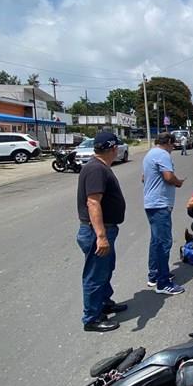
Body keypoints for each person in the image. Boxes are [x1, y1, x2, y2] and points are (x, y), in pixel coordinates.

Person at [76, 132, 127, 332]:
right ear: (114, 149)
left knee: (105, 270)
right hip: (96, 231)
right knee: (95, 275)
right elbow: (93, 202)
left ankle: (104, 302)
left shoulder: (98, 166)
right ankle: (92, 318)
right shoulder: (96, 169)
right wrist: (101, 236)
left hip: (104, 229)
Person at [142, 132, 185, 295]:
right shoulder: (162, 154)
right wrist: (178, 182)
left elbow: (143, 178)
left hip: (151, 203)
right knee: (164, 243)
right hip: (160, 204)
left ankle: (154, 275)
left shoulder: (149, 155)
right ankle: (163, 282)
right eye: (173, 145)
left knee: (156, 241)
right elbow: (168, 177)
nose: (173, 148)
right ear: (168, 142)